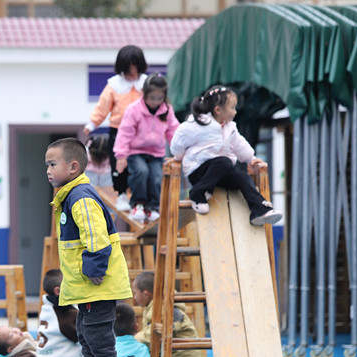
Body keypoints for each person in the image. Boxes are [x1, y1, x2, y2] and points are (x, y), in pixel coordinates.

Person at [45, 137, 132, 357]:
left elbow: (96, 236)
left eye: (52, 164)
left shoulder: (81, 198)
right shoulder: (69, 197)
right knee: (84, 330)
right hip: (85, 286)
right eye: (47, 165)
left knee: (98, 332)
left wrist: (94, 270)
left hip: (97, 282)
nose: (48, 170)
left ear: (73, 167)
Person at [170, 85, 281, 226]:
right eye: (232, 108)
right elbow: (179, 140)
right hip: (198, 172)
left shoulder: (230, 127)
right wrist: (178, 156)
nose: (235, 112)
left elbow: (240, 144)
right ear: (218, 110)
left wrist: (251, 159)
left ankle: (259, 210)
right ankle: (197, 193)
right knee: (224, 162)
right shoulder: (197, 124)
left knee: (242, 176)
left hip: (219, 172)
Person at [84, 45, 149, 212]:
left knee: (142, 165)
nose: (132, 71)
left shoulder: (146, 84)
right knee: (118, 165)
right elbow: (103, 106)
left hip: (141, 131)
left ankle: (141, 199)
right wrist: (92, 123)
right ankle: (121, 194)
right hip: (119, 130)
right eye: (129, 67)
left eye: (135, 66)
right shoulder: (114, 85)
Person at [113, 74, 179, 223]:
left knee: (156, 177)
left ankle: (153, 207)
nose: (155, 102)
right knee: (141, 172)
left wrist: (179, 151)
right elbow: (125, 132)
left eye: (159, 98)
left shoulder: (167, 110)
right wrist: (121, 155)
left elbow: (173, 131)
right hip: (136, 152)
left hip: (156, 153)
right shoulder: (134, 110)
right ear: (144, 94)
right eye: (152, 98)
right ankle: (138, 204)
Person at [132, 271, 203, 357]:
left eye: (135, 293)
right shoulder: (153, 306)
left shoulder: (162, 307)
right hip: (174, 351)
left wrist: (132, 341)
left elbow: (152, 333)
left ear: (146, 294)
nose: (134, 297)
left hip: (180, 353)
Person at [37, 269, 84, 357]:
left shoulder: (47, 308)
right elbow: (80, 337)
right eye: (71, 285)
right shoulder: (64, 313)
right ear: (58, 291)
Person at [85, 134, 116, 201]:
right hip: (89, 173)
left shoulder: (113, 152)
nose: (98, 159)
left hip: (106, 175)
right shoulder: (84, 153)